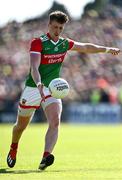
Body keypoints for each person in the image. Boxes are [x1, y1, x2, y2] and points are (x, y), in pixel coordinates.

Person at [7, 10, 120, 170]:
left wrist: (107, 49)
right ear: (49, 25)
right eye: (55, 27)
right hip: (34, 88)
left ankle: (46, 156)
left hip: (52, 88)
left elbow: (86, 47)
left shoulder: (64, 43)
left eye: (60, 28)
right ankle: (13, 147)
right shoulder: (38, 42)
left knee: (55, 121)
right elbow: (34, 66)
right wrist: (38, 83)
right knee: (20, 126)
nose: (57, 31)